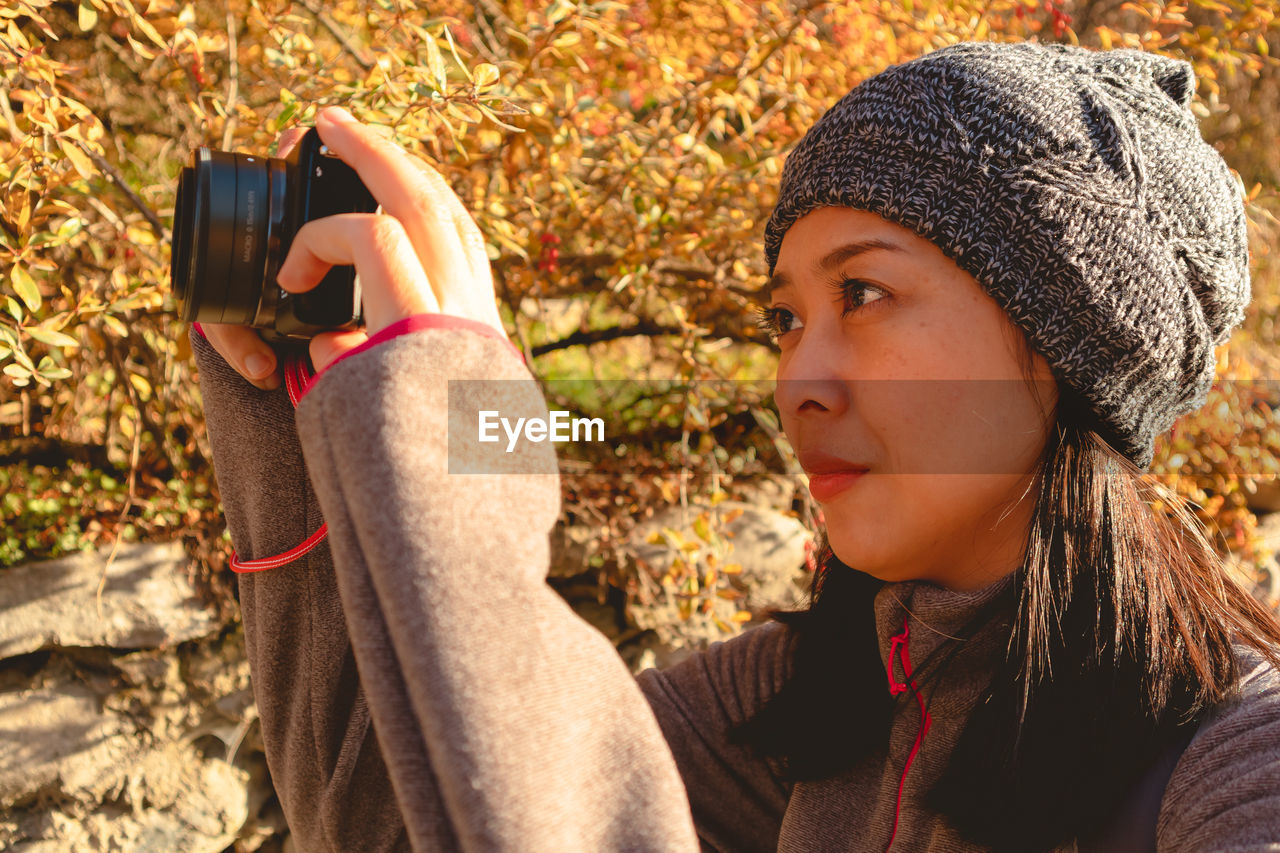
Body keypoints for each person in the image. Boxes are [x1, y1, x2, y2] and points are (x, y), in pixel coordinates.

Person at [190, 41, 1280, 852]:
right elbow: (384, 811)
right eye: (784, 319)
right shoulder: (815, 698)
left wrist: (453, 415)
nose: (795, 380)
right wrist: (312, 406)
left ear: (1058, 350)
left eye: (861, 292)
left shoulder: (1237, 763)